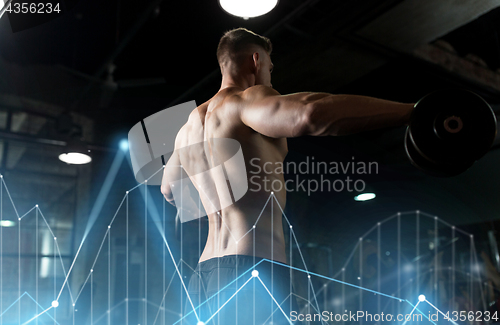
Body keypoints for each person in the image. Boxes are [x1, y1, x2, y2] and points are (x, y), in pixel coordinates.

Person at [161, 27, 414, 324]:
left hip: (204, 275)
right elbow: (309, 114)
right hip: (251, 269)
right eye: (270, 67)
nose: (270, 74)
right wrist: (412, 111)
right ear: (256, 61)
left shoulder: (187, 129)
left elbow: (169, 190)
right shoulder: (246, 101)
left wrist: (218, 196)